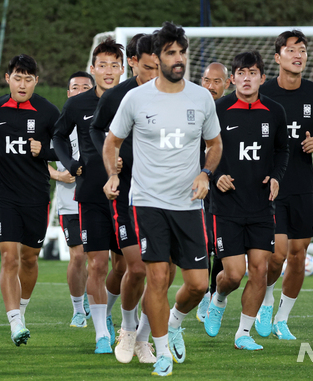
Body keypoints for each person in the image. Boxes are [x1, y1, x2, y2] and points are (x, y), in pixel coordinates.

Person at [104, 22, 223, 376]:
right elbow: (112, 141)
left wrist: (206, 173)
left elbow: (214, 144)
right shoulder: (136, 98)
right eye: (171, 53)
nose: (178, 59)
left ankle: (172, 323)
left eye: (182, 52)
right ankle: (159, 352)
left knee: (199, 284)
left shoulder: (201, 97)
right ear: (156, 57)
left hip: (188, 203)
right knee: (156, 278)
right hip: (147, 201)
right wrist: (113, 174)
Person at [204, 50, 289, 352]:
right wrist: (215, 176)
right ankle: (219, 298)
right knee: (234, 275)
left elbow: (282, 150)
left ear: (262, 78)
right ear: (233, 79)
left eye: (252, 72)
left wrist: (277, 175)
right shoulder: (218, 109)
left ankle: (243, 333)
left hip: (261, 204)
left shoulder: (275, 111)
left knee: (260, 270)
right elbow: (202, 148)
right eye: (241, 72)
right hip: (226, 206)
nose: (246, 78)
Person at [254, 31, 313, 340]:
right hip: (270, 185)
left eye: (302, 50)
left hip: (302, 184)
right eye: (291, 50)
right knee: (277, 255)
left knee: (298, 255)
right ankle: (266, 299)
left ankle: (282, 319)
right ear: (277, 57)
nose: (297, 54)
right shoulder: (263, 92)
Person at [0, 54, 60, 346]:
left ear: (36, 81)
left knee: (29, 258)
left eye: (29, 78)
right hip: (5, 195)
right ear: (7, 78)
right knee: (9, 257)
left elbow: (62, 147)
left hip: (37, 195)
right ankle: (15, 321)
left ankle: (22, 310)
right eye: (18, 77)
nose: (23, 83)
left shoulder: (48, 112)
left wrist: (45, 150)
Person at [90, 33, 160, 364]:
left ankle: (144, 337)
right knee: (137, 266)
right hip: (127, 191)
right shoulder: (118, 96)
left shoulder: (175, 94)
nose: (154, 73)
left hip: (165, 191)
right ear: (133, 62)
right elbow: (96, 129)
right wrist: (110, 158)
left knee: (164, 270)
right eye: (148, 67)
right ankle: (128, 328)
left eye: (160, 66)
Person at [53, 38, 123, 354]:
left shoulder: (134, 99)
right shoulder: (77, 104)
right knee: (96, 265)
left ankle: (107, 313)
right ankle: (101, 335)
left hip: (127, 194)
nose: (108, 71)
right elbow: (57, 136)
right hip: (91, 194)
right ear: (93, 69)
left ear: (123, 68)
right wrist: (70, 164)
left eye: (114, 65)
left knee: (128, 267)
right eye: (102, 65)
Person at [51, 71, 94, 328]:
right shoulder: (60, 125)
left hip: (98, 200)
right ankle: (78, 309)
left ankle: (102, 306)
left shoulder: (103, 121)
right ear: (68, 94)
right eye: (74, 87)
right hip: (70, 202)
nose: (79, 91)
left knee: (99, 258)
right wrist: (59, 174)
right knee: (78, 256)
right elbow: (37, 157)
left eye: (85, 87)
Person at [195, 62, 231, 323]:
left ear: (227, 84)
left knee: (219, 246)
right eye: (207, 80)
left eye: (217, 81)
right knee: (202, 243)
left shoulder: (231, 112)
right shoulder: (192, 109)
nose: (210, 85)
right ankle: (202, 296)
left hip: (224, 187)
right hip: (195, 186)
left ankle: (212, 292)